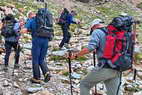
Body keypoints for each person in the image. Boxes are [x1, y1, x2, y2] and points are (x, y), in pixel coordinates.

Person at [67, 19, 122, 95]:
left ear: (94, 26)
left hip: (105, 67)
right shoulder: (113, 32)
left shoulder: (97, 31)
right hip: (118, 67)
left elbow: (90, 47)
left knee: (84, 84)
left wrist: (76, 55)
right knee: (115, 93)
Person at [23, 8, 53, 84]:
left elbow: (25, 30)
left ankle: (36, 78)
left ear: (29, 16)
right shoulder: (45, 20)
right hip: (46, 40)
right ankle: (46, 73)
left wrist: (20, 31)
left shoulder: (31, 20)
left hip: (37, 40)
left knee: (35, 59)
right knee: (41, 59)